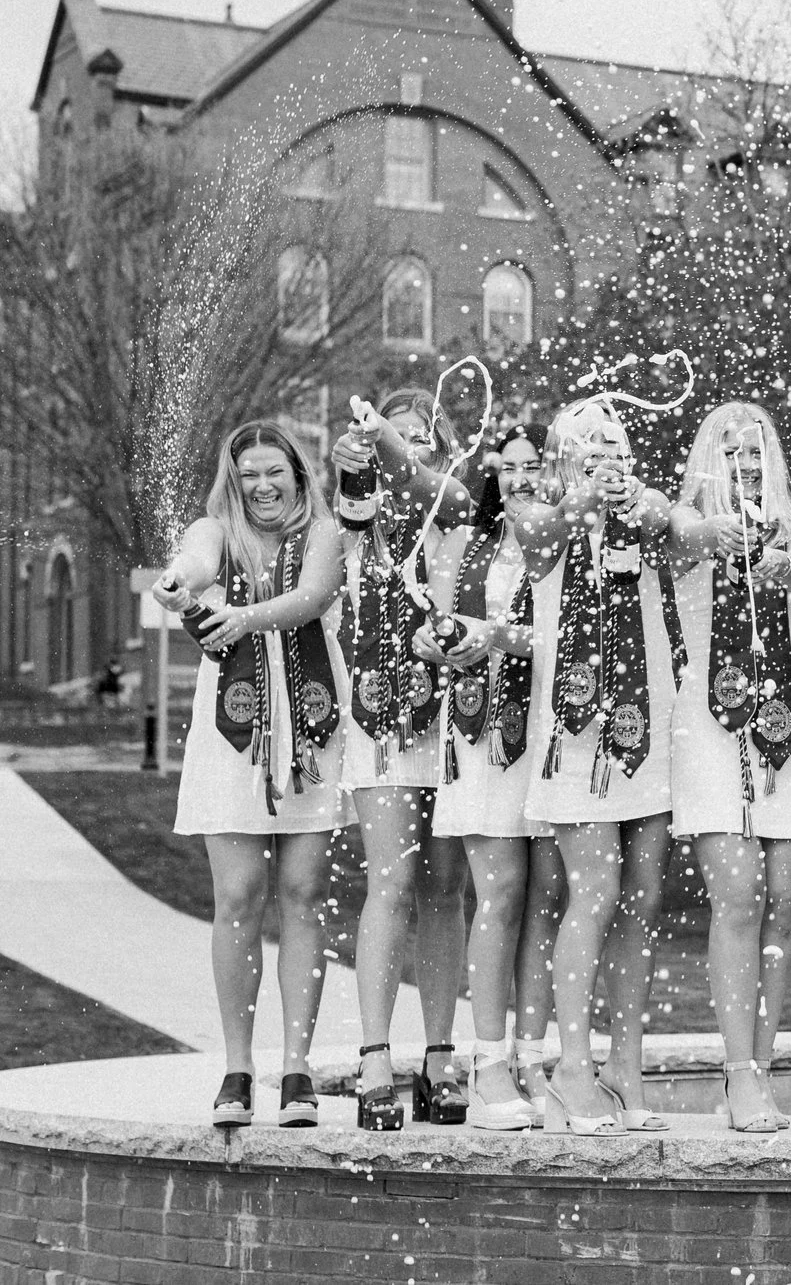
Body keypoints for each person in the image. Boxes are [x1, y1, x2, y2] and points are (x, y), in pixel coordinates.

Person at [156, 421, 348, 1129]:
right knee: (236, 895)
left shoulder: (322, 534)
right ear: (232, 482)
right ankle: (238, 1066)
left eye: (277, 472)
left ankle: (297, 1068)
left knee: (303, 892)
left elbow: (313, 597)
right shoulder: (216, 529)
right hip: (230, 740)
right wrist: (180, 581)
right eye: (249, 476)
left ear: (299, 475)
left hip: (313, 730)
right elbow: (195, 559)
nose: (263, 486)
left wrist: (243, 618)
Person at [513, 399, 680, 1134]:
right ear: (562, 458)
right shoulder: (540, 511)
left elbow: (685, 533)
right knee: (596, 890)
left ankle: (625, 1063)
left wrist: (649, 508)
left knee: (642, 896)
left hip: (649, 727)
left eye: (616, 444)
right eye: (589, 446)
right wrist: (584, 498)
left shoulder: (644, 514)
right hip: (577, 736)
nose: (607, 455)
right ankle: (570, 1066)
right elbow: (537, 534)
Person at [670, 401, 791, 1135]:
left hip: (785, 732)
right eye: (731, 451)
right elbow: (677, 538)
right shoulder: (685, 524)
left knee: (784, 905)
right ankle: (736, 1072)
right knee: (738, 892)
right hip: (709, 728)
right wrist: (711, 531)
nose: (746, 464)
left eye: (756, 451)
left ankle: (761, 1066)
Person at [328, 387, 476, 1131]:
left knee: (445, 890)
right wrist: (357, 459)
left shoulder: (454, 513)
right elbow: (349, 511)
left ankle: (442, 1052)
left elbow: (441, 489)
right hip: (381, 714)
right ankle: (376, 1053)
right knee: (388, 880)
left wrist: (390, 438)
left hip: (451, 711)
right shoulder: (361, 519)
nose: (404, 449)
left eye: (424, 438)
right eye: (396, 438)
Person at [428, 422, 563, 1130]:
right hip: (486, 737)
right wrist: (441, 641)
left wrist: (506, 637)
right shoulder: (464, 545)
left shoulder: (570, 543)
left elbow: (573, 633)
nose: (518, 477)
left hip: (556, 731)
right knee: (500, 892)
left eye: (533, 464)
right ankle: (487, 1066)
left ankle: (534, 1056)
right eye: (506, 467)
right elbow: (448, 630)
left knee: (548, 896)